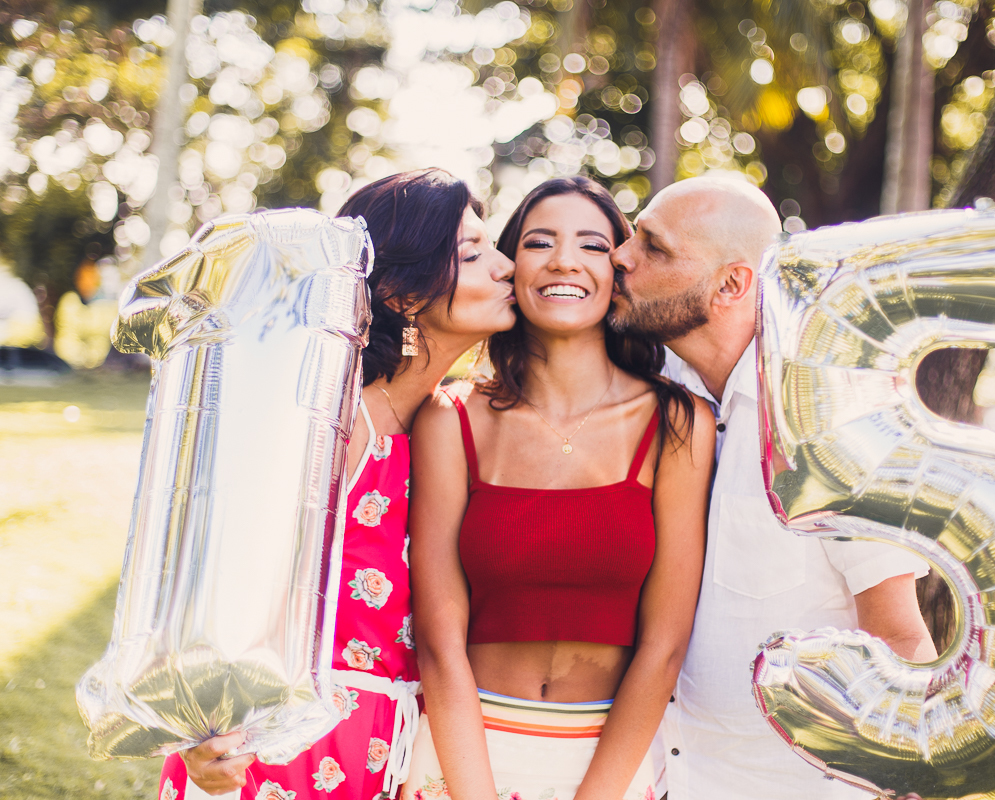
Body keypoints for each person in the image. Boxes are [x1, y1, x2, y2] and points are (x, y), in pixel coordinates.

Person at [160, 168, 518, 800]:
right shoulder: (332, 420)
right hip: (281, 752)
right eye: (471, 253)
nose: (506, 266)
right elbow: (219, 585)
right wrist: (200, 736)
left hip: (389, 749)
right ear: (404, 294)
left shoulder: (443, 426)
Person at [607, 175, 937, 800]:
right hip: (659, 780)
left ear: (732, 284)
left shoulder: (831, 423)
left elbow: (898, 639)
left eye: (654, 246)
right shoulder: (653, 396)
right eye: (631, 234)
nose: (620, 255)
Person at [405, 177, 714, 800]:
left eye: (593, 246)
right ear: (509, 267)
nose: (563, 261)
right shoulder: (451, 418)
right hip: (464, 757)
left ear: (619, 270)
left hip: (612, 762)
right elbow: (439, 645)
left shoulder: (679, 422)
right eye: (539, 242)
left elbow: (665, 645)